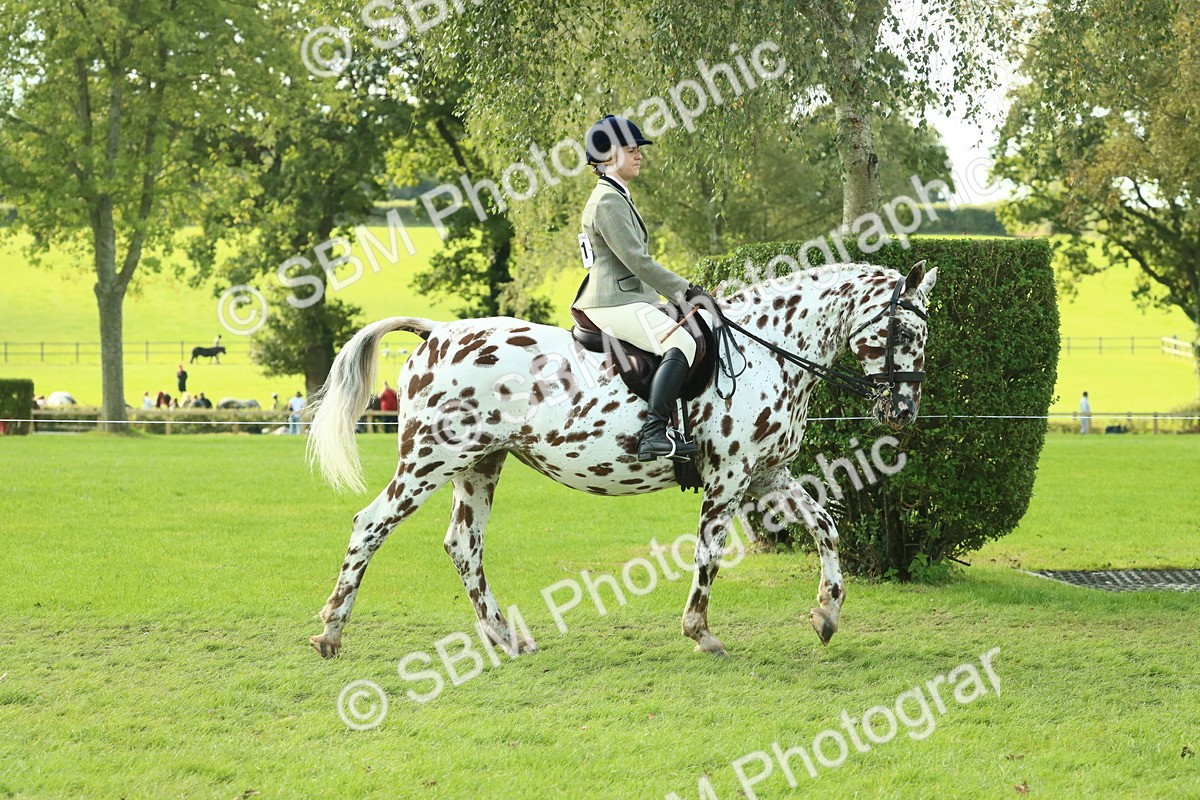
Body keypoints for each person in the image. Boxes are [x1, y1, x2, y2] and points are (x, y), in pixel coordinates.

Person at [571, 114, 711, 462]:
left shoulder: (618, 196)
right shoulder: (606, 201)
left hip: (626, 297)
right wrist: (686, 290)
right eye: (631, 150)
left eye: (638, 150)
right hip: (611, 301)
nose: (639, 155)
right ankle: (653, 434)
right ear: (608, 157)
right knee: (681, 340)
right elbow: (637, 261)